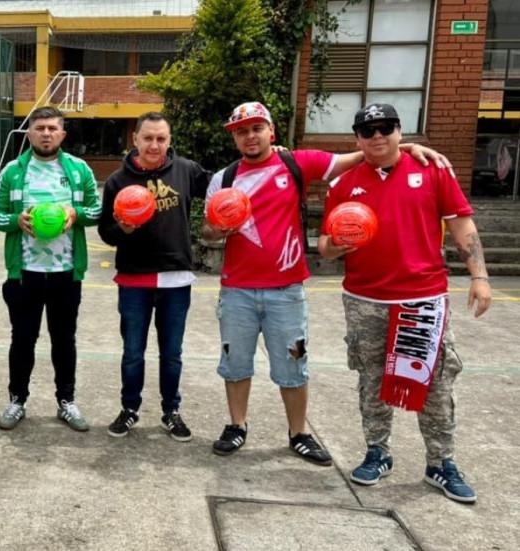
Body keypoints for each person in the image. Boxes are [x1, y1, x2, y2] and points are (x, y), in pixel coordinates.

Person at [201, 101, 449, 465]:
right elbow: (207, 232)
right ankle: (237, 426)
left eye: (256, 128)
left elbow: (363, 156)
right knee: (235, 363)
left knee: (294, 364)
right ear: (234, 138)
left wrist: (407, 146)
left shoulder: (297, 162)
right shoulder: (222, 179)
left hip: (287, 291)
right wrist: (217, 227)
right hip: (236, 289)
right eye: (241, 131)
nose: (249, 136)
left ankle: (299, 433)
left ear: (271, 131)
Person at [318, 103, 490, 504]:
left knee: (434, 382)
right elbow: (324, 245)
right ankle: (377, 451)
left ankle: (441, 462)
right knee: (372, 378)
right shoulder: (343, 185)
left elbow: (462, 223)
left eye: (385, 128)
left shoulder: (433, 170)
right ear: (357, 138)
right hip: (365, 299)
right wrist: (336, 246)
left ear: (399, 131)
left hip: (422, 297)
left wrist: (479, 276)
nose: (377, 136)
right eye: (367, 130)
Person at [0, 106, 102, 432]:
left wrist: (75, 213)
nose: (47, 133)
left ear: (63, 134)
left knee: (64, 340)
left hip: (67, 272)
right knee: (22, 339)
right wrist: (15, 220)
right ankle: (16, 400)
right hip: (25, 273)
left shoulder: (79, 169)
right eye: (40, 128)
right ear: (30, 133)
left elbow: (97, 209)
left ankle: (66, 400)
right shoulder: (13, 171)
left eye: (53, 128)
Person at [97, 112, 209, 439]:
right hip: (134, 279)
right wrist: (123, 229)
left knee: (171, 353)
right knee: (133, 352)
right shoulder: (119, 180)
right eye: (148, 138)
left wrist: (275, 158)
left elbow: (227, 183)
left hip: (176, 279)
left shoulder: (186, 170)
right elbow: (106, 231)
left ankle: (170, 410)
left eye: (161, 138)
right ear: (135, 138)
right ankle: (129, 408)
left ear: (170, 140)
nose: (154, 145)